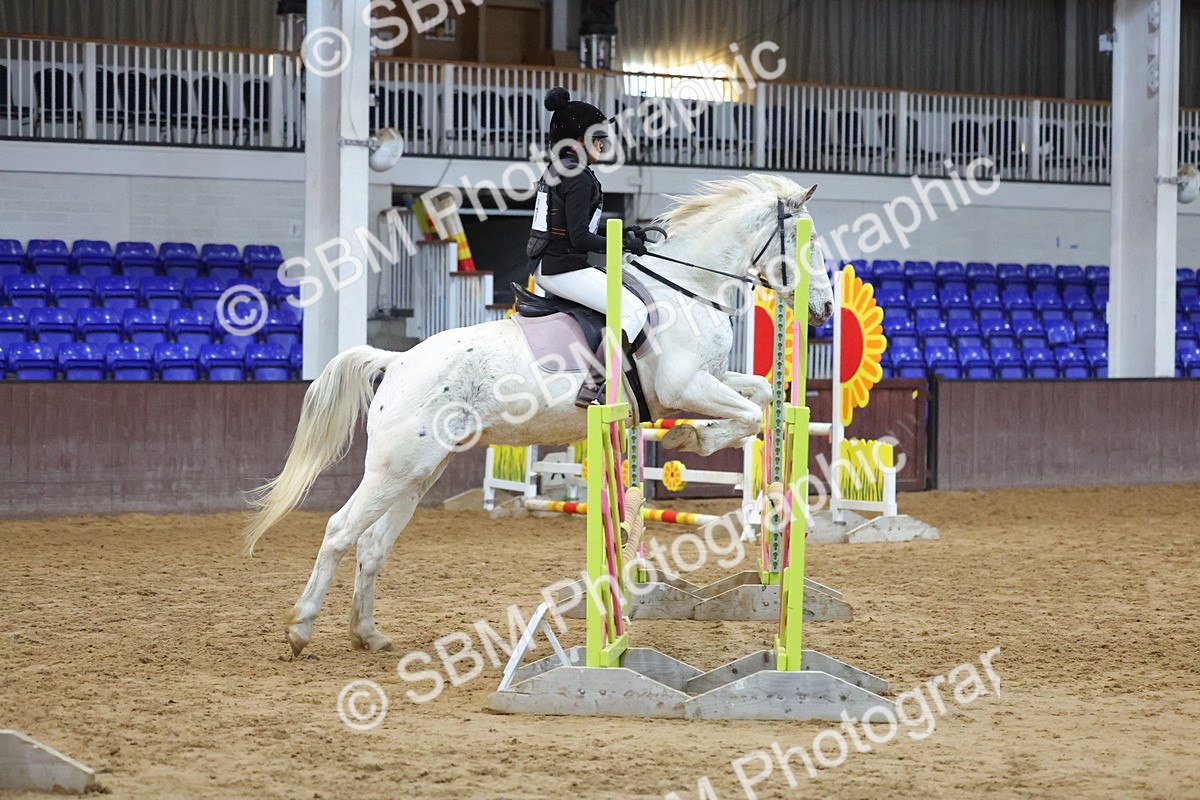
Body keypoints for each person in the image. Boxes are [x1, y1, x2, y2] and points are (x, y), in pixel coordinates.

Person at [526, 87, 650, 357]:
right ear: (579, 140)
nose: (603, 143)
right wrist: (622, 246)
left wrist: (624, 232)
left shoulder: (564, 169)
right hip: (562, 269)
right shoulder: (577, 177)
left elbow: (579, 226)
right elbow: (580, 238)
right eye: (598, 137)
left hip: (552, 264)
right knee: (635, 310)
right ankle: (599, 383)